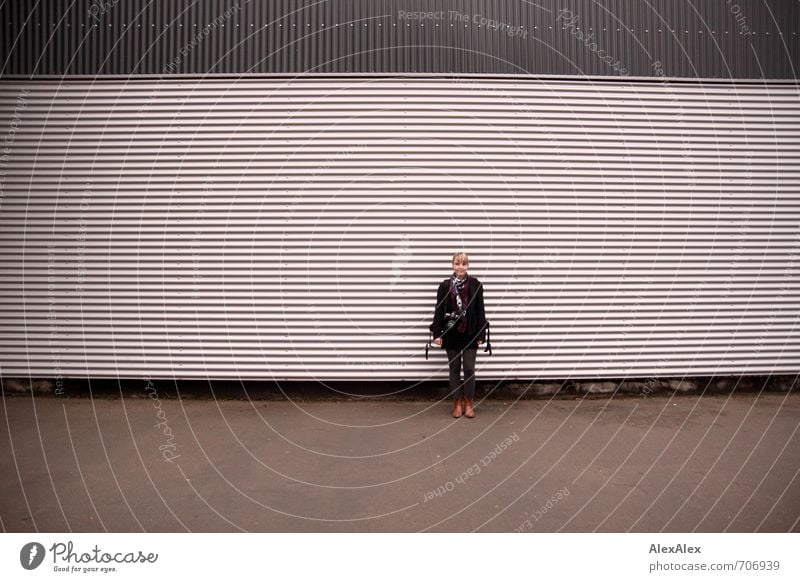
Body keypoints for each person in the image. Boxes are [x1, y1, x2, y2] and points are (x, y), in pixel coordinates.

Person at [429, 252, 488, 418]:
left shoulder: (476, 285)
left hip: (470, 332)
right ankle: (457, 402)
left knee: (469, 368)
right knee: (454, 368)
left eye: (463, 264)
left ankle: (468, 402)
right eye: (457, 263)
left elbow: (480, 311)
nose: (460, 267)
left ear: (467, 265)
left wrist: (481, 334)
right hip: (451, 332)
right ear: (452, 265)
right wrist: (437, 333)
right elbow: (439, 310)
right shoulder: (445, 286)